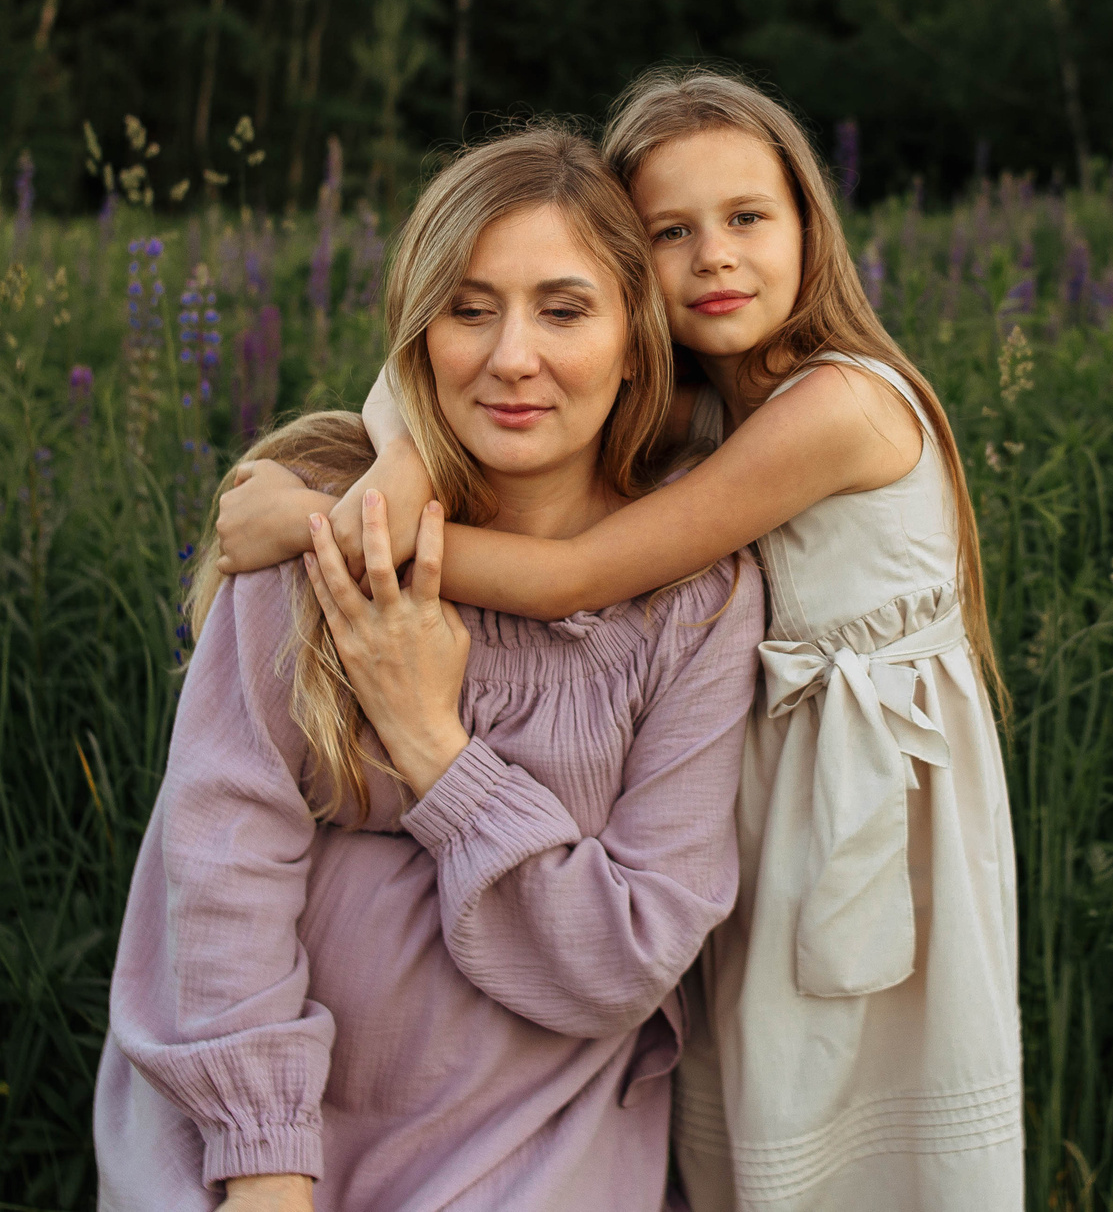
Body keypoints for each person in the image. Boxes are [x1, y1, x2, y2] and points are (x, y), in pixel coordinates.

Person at [217, 70, 1024, 1211]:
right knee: (742, 1108)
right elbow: (423, 378)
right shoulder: (695, 397)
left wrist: (338, 538)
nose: (715, 258)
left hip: (860, 807)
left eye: (748, 218)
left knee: (860, 1122)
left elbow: (574, 577)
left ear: (809, 223)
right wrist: (384, 470)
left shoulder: (837, 404)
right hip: (752, 784)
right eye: (670, 233)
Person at [96, 126, 766, 1212]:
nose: (510, 356)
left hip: (534, 1149)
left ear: (636, 341)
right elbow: (220, 850)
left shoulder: (696, 602)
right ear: (417, 335)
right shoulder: (316, 518)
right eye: (468, 308)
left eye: (562, 309)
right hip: (254, 1125)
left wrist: (431, 746)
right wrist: (266, 1163)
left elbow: (628, 953)